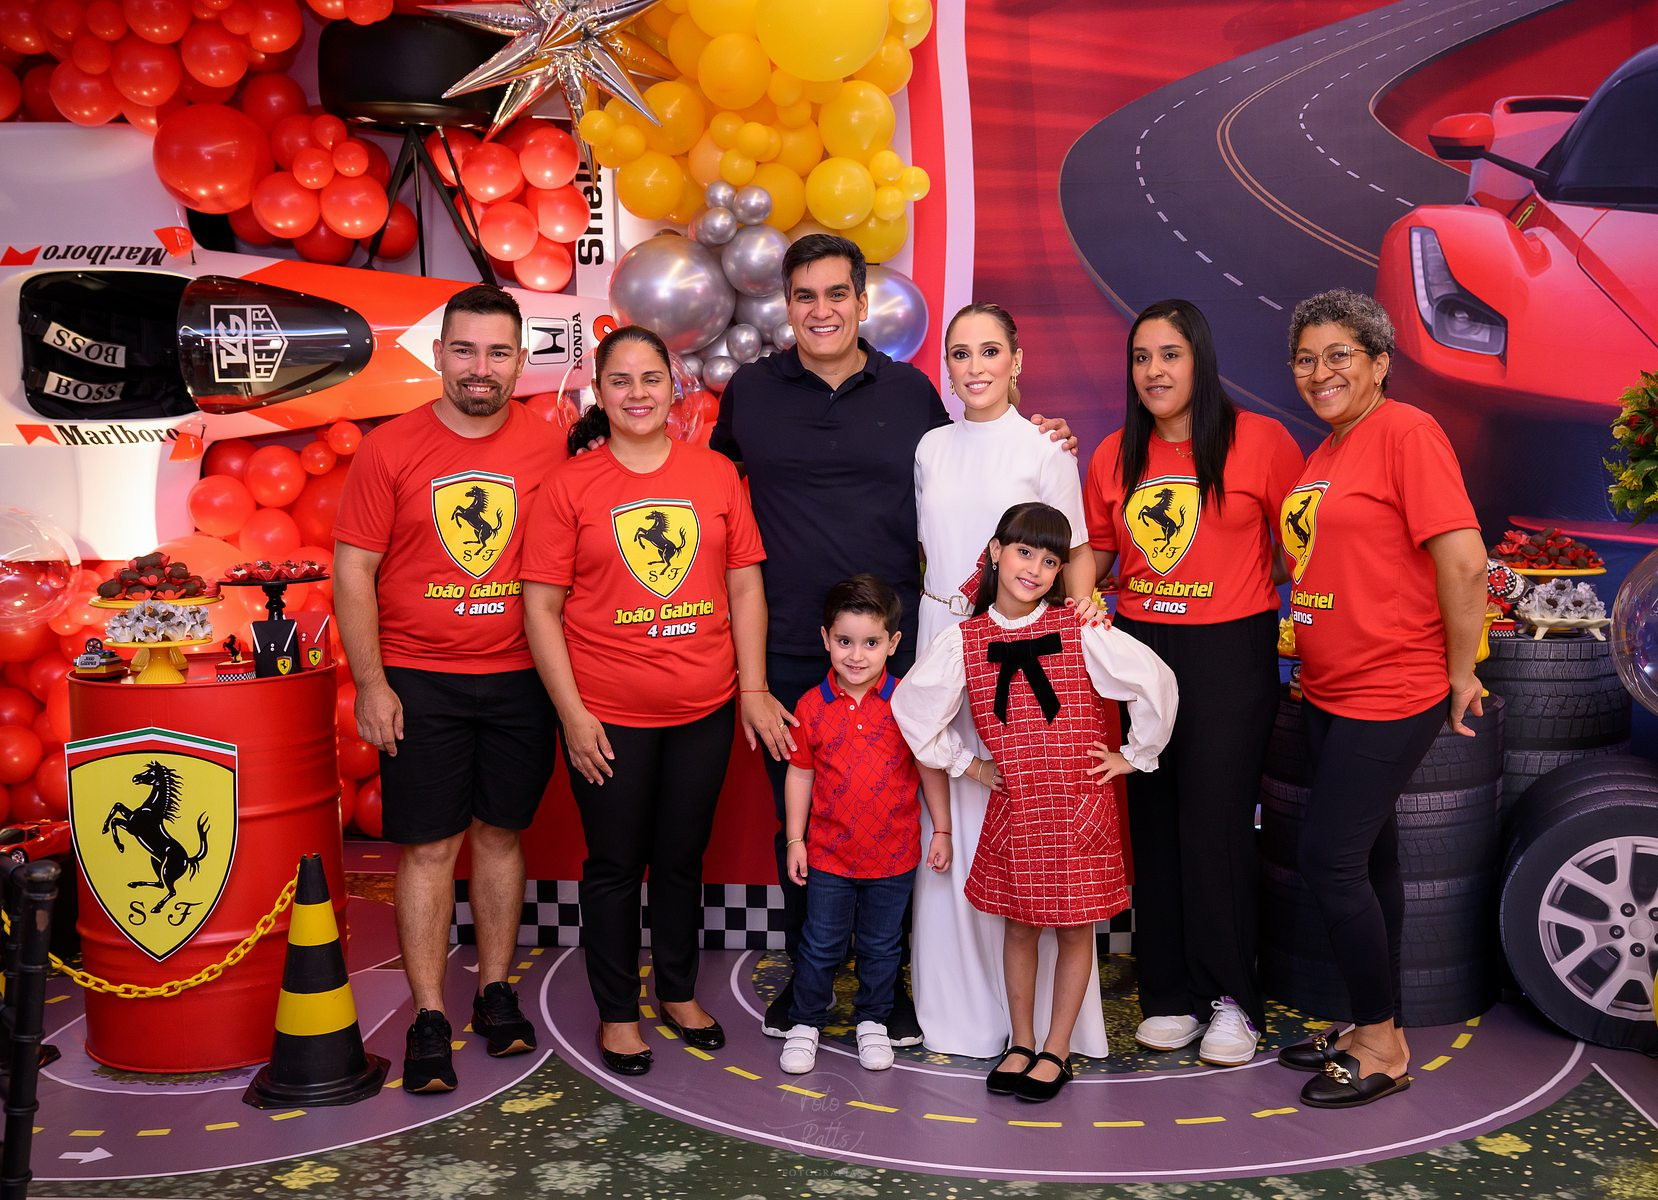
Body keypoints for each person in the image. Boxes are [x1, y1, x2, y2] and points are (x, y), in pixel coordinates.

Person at [711, 233, 1075, 1044]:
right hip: (792, 649)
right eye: (804, 296)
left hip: (900, 653)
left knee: (897, 816)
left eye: (836, 293)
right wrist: (751, 680)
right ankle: (810, 983)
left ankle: (890, 984)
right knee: (805, 818)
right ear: (785, 305)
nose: (821, 310)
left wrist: (1039, 436)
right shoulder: (751, 392)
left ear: (862, 301)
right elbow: (707, 492)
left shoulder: (911, 393)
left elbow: (972, 455)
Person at [521, 325, 791, 1077]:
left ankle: (677, 992)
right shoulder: (570, 486)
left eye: (650, 379)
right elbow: (540, 607)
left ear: (674, 388)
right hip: (607, 717)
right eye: (620, 380)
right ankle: (617, 1013)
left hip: (703, 710)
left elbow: (745, 587)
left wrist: (752, 688)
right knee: (615, 865)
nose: (637, 394)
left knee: (680, 859)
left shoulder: (715, 475)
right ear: (599, 392)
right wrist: (573, 715)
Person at [334, 283, 567, 1094]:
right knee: (430, 846)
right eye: (464, 349)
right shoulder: (390, 448)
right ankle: (430, 1015)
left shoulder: (551, 447)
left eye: (498, 352)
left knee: (499, 835)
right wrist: (371, 683)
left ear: (521, 361)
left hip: (519, 678)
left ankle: (495, 992)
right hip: (419, 679)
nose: (480, 367)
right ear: (438, 354)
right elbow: (354, 572)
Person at [1272, 289, 1485, 1108]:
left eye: (1339, 355)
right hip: (1328, 690)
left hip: (1389, 688)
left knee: (1330, 860)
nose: (1320, 372)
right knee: (1370, 860)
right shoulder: (1327, 451)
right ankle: (1373, 1021)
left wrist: (1460, 672)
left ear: (1380, 362)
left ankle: (1384, 1045)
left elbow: (1463, 560)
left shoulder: (1406, 432)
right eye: (1306, 359)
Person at [893, 502, 1177, 1102]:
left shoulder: (1080, 627)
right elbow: (913, 710)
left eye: (1051, 561)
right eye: (1025, 552)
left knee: (1074, 931)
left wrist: (1134, 754)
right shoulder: (965, 640)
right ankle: (1020, 1041)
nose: (1036, 569)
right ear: (996, 552)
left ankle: (1058, 1047)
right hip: (1018, 806)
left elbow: (1155, 680)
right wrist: (970, 765)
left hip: (1078, 805)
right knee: (1020, 928)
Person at [1082, 299, 1304, 1066]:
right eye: (1141, 357)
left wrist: (1231, 579)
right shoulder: (1113, 453)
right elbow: (1098, 553)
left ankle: (1231, 1001)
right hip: (1139, 649)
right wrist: (1073, 592)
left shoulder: (1261, 441)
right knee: (1154, 824)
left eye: (1169, 354)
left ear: (1200, 360)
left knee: (1215, 827)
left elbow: (1299, 549)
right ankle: (1167, 995)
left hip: (1229, 652)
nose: (1154, 371)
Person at [910, 302, 1106, 1060]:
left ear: (1017, 361)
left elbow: (1075, 552)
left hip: (1021, 651)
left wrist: (1080, 632)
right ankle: (960, 1010)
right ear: (946, 365)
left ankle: (1041, 1030)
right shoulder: (930, 447)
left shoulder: (1045, 448)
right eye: (960, 353)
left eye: (990, 351)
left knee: (1023, 817)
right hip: (942, 631)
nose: (975, 366)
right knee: (950, 820)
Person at [777, 575, 953, 1075]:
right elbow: (800, 773)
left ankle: (873, 1020)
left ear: (893, 643)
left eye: (871, 643)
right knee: (820, 944)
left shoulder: (907, 701)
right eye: (845, 641)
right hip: (829, 855)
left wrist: (942, 829)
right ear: (825, 639)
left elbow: (929, 768)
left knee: (881, 947)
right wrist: (795, 839)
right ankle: (805, 1021)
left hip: (894, 856)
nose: (856, 656)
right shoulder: (811, 706)